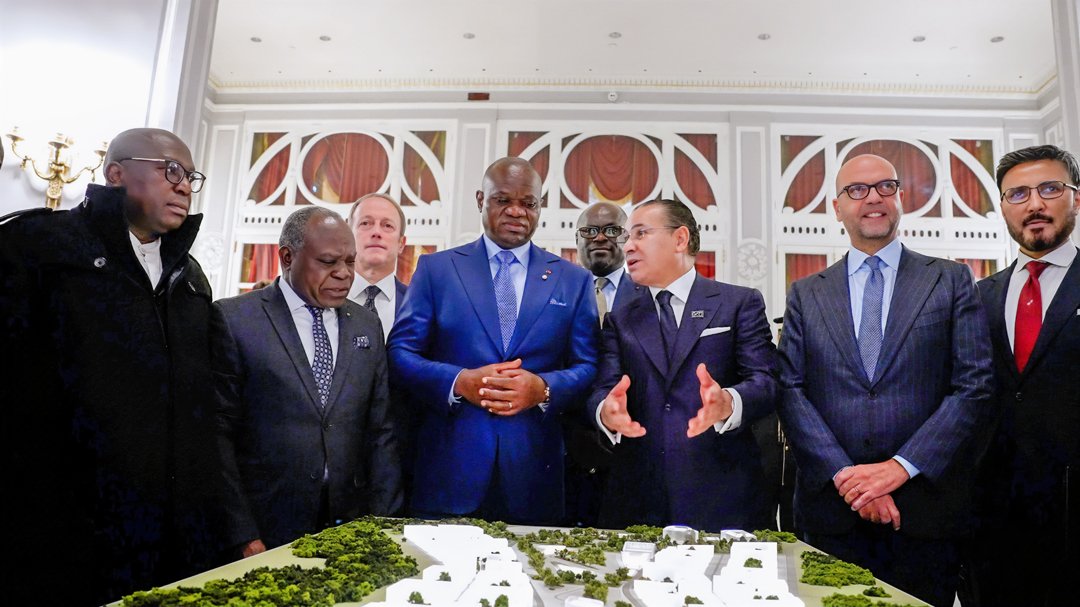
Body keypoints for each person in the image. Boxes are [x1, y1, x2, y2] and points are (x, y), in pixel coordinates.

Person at [0, 128, 222, 605]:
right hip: (58, 530)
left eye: (190, 177)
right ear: (116, 174)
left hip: (164, 536)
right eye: (171, 171)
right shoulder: (39, 245)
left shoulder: (189, 278)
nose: (184, 186)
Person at [776, 154, 994, 607]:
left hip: (922, 511)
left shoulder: (951, 280)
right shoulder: (805, 292)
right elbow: (790, 389)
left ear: (899, 199)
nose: (872, 198)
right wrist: (849, 479)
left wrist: (898, 469)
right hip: (831, 513)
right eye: (857, 189)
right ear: (837, 207)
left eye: (885, 187)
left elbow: (973, 385)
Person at [388, 157, 598, 525]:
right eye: (503, 200)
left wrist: (544, 388)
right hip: (449, 475)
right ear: (480, 200)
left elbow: (587, 366)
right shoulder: (436, 270)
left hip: (535, 478)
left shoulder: (572, 280)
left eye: (528, 203)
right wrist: (459, 382)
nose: (516, 211)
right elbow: (401, 352)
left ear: (539, 207)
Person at [215, 206, 402, 552]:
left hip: (349, 524)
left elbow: (381, 431)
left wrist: (385, 522)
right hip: (265, 526)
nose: (344, 274)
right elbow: (217, 436)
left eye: (349, 261)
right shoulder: (235, 319)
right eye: (329, 262)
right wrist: (241, 532)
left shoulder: (366, 325)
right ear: (287, 257)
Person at [591, 198, 777, 532]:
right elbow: (603, 387)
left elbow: (766, 380)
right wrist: (606, 411)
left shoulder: (738, 303)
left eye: (641, 233)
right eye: (626, 237)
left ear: (680, 239)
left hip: (722, 498)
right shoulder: (621, 320)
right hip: (637, 502)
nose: (628, 246)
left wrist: (729, 402)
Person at [966, 144, 1080, 607]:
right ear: (1002, 207)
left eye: (1049, 189)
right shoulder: (978, 296)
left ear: (1075, 197)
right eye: (1017, 194)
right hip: (992, 520)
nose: (1034, 204)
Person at [564, 202, 642, 526]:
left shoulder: (649, 295)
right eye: (589, 231)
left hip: (628, 453)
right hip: (562, 452)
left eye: (611, 230)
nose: (599, 238)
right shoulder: (555, 291)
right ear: (577, 240)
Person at [346, 193, 409, 339]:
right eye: (365, 223)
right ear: (348, 236)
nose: (376, 232)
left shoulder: (418, 305)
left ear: (401, 243)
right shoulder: (321, 299)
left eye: (387, 226)